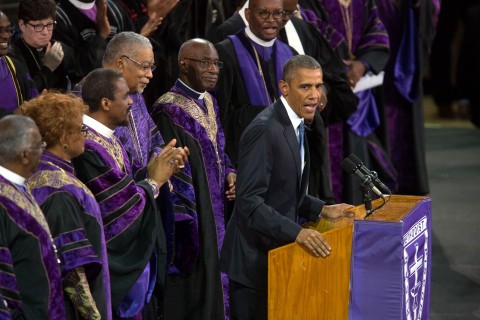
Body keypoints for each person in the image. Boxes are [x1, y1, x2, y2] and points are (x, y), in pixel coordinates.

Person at [221, 55, 354, 320]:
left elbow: (284, 189)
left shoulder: (298, 123)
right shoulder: (265, 129)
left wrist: (322, 210)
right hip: (253, 264)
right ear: (284, 87)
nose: (315, 95)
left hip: (277, 256)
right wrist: (298, 234)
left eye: (318, 86)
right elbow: (250, 202)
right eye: (305, 87)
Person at [210, 0, 357, 202]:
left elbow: (309, 117)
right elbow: (219, 116)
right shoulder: (226, 53)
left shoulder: (291, 55)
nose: (272, 21)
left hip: (290, 168)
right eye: (263, 13)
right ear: (248, 14)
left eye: (278, 14)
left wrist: (309, 112)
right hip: (249, 167)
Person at [72, 68, 187, 318]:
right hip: (108, 264)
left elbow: (125, 186)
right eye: (125, 97)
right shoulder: (88, 147)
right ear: (105, 103)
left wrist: (158, 170)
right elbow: (115, 206)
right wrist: (154, 182)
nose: (132, 102)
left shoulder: (110, 140)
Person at [150, 38, 235, 319]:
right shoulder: (168, 110)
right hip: (195, 215)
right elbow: (173, 168)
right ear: (184, 65)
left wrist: (230, 172)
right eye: (205, 62)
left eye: (216, 63)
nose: (213, 69)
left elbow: (219, 147)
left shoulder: (210, 100)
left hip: (217, 211)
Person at [21, 92, 112, 320]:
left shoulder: (32, 174)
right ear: (63, 136)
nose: (85, 135)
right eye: (81, 129)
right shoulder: (60, 191)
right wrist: (94, 316)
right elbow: (72, 271)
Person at [301, 0, 396, 205]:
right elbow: (311, 32)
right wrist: (339, 67)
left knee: (356, 153)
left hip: (358, 88)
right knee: (328, 160)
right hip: (326, 85)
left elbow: (376, 30)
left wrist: (362, 64)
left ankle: (357, 208)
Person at [0, 115, 65, 319]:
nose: (44, 151)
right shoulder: (3, 203)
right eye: (40, 145)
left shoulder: (17, 186)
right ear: (25, 155)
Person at [74, 31, 164, 177]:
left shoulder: (135, 95)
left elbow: (154, 140)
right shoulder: (83, 99)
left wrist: (163, 160)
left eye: (151, 67)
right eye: (145, 66)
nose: (150, 74)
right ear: (121, 63)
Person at [376, 0, 440, 195]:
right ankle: (380, 179)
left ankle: (406, 179)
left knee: (403, 119)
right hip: (376, 60)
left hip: (405, 54)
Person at [9, 0, 81, 91]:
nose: (45, 32)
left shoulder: (64, 50)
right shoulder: (11, 57)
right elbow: (22, 96)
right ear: (22, 25)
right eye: (38, 26)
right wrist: (47, 68)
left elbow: (77, 86)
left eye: (50, 25)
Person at [54, 0, 134, 78]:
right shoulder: (58, 17)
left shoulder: (114, 8)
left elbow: (134, 50)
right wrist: (102, 35)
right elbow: (77, 69)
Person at [0, 10, 38, 116]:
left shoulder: (15, 66)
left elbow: (33, 99)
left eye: (8, 30)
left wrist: (41, 102)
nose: (6, 36)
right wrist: (16, 115)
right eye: (0, 31)